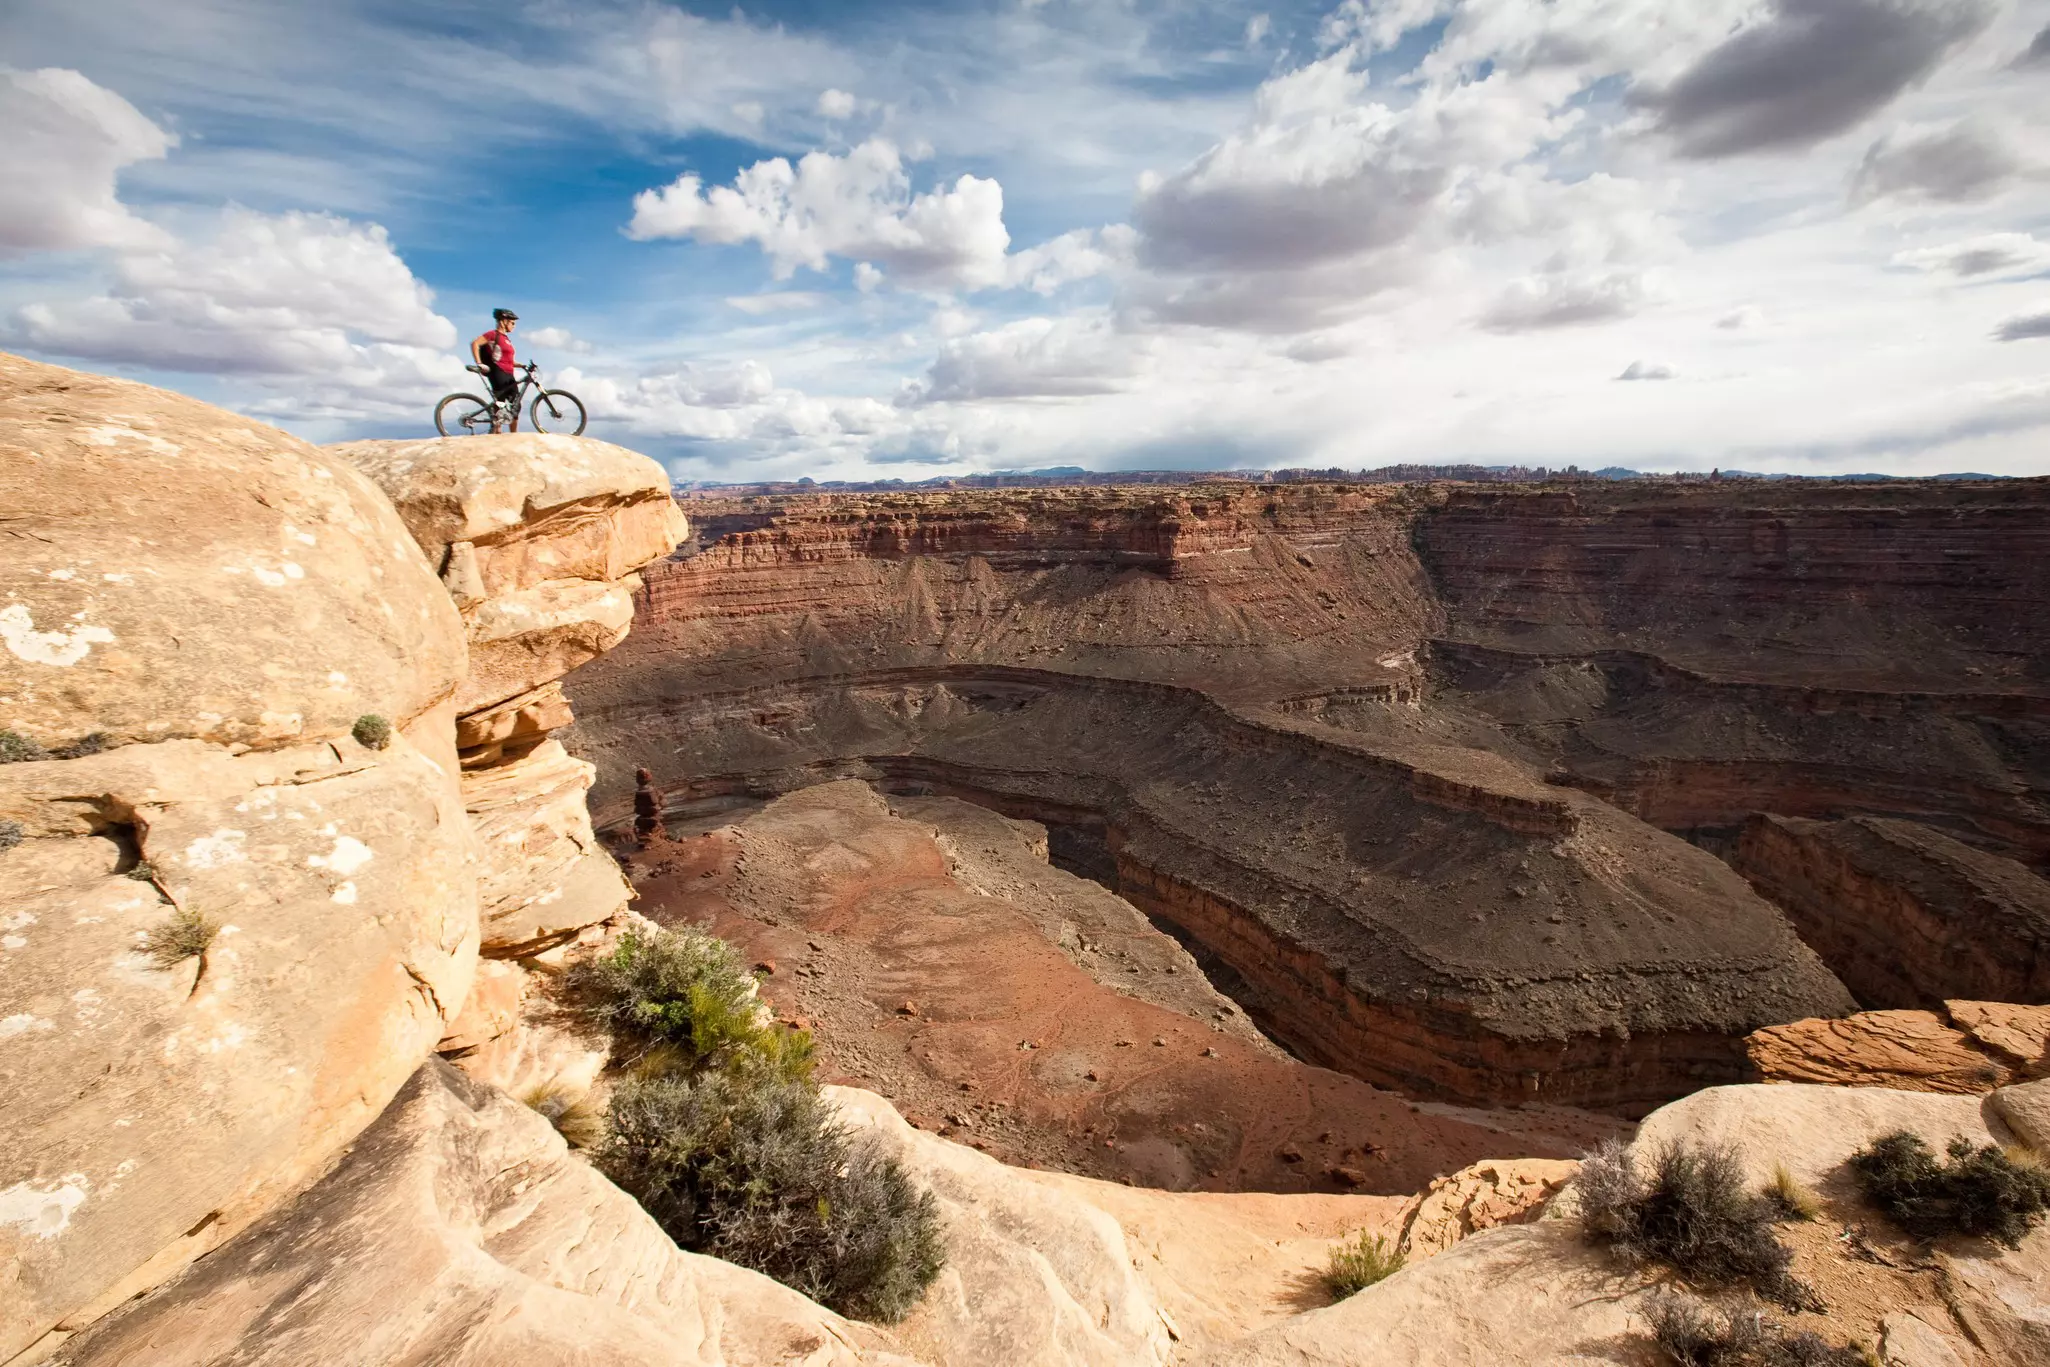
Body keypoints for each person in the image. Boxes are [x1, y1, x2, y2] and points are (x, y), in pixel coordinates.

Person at [470, 308, 521, 433]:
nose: (514, 326)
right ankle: (497, 433)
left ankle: (514, 435)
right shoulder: (493, 334)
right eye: (512, 323)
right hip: (498, 372)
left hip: (509, 374)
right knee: (501, 403)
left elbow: (507, 360)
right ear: (504, 321)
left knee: (516, 406)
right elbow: (475, 343)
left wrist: (523, 366)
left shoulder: (507, 340)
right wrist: (479, 363)